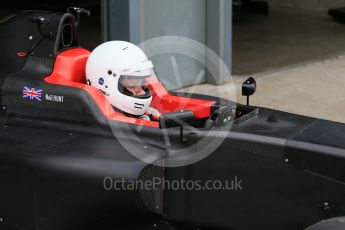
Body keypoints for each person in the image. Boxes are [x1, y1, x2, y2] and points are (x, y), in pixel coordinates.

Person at [85, 41, 161, 121]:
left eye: (143, 85)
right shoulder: (100, 124)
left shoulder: (151, 113)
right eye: (132, 86)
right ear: (104, 84)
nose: (142, 92)